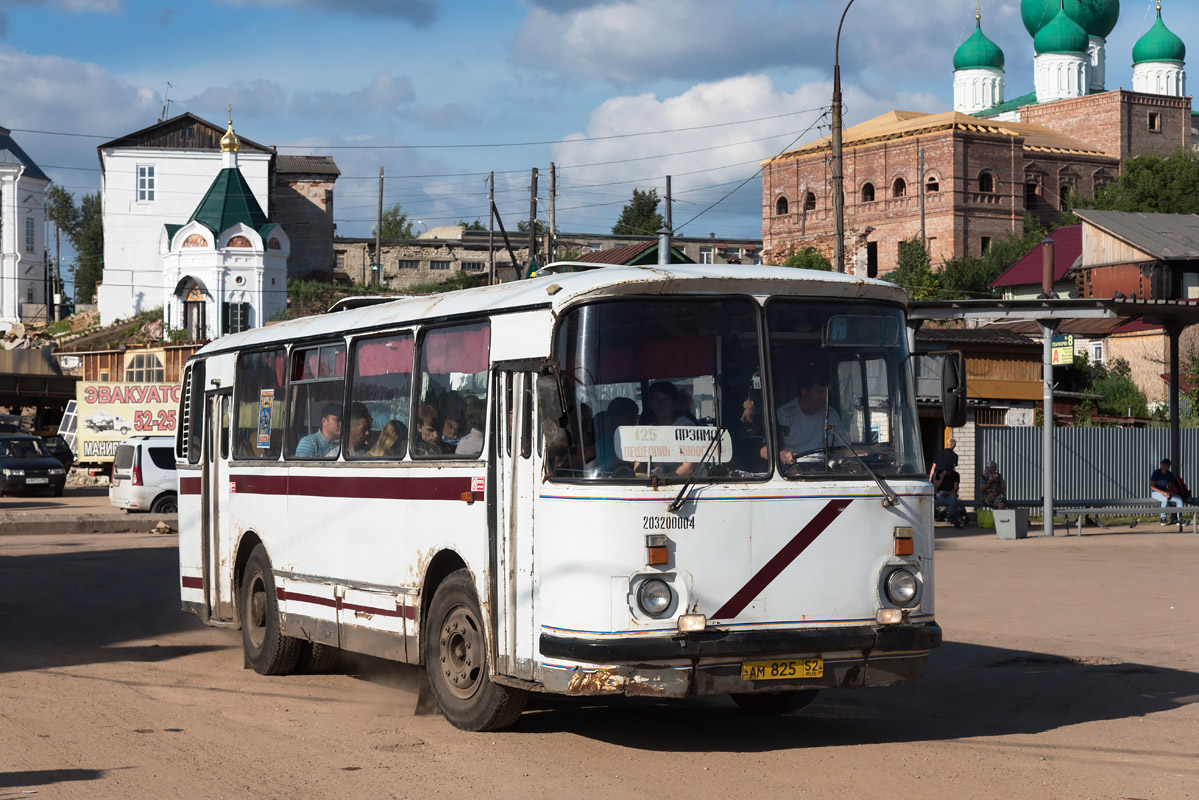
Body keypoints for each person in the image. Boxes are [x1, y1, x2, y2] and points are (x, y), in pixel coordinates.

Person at [769, 364, 842, 469]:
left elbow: (843, 448)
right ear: (804, 391)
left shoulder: (831, 415)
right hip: (791, 474)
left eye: (827, 393)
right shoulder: (784, 415)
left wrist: (866, 450)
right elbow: (764, 450)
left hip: (823, 471)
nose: (825, 398)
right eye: (820, 392)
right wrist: (781, 454)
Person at [593, 397, 639, 474]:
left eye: (636, 417)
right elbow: (594, 472)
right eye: (630, 417)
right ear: (614, 417)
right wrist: (612, 464)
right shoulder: (601, 445)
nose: (634, 421)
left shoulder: (638, 441)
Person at [1151, 457, 1184, 524]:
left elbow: (1169, 486)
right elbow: (1152, 487)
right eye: (1163, 464)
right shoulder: (1156, 473)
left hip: (1165, 492)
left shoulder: (1169, 474)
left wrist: (1168, 492)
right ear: (1161, 464)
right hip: (1156, 493)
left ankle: (1180, 519)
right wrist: (1163, 493)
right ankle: (1163, 519)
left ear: (1168, 466)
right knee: (1164, 500)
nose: (1164, 466)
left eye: (1166, 465)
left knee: (1179, 500)